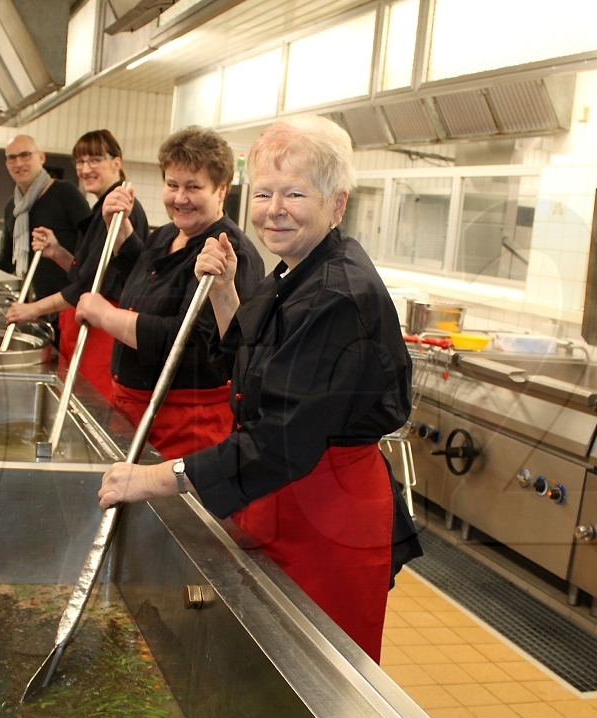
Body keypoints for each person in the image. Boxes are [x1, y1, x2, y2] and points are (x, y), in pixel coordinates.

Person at [95, 117, 422, 664]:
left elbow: (279, 443)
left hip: (327, 513)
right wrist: (225, 292)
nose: (275, 208)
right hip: (288, 495)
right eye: (265, 192)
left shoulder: (338, 294)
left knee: (318, 676)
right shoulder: (296, 269)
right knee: (268, 659)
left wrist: (154, 477)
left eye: (295, 193)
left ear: (337, 204)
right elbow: (247, 358)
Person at [75, 126, 265, 458]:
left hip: (185, 420)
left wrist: (104, 314)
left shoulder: (228, 253)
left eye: (193, 187)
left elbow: (189, 340)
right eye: (172, 185)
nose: (179, 198)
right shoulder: (166, 234)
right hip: (133, 408)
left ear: (221, 190)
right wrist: (119, 233)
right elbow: (147, 274)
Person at [4, 130, 150, 401]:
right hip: (89, 326)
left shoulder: (121, 212)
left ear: (116, 162)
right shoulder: (101, 211)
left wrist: (32, 309)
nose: (85, 169)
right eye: (80, 162)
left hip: (104, 333)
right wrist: (57, 252)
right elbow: (85, 272)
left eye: (94, 160)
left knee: (93, 407)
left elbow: (88, 285)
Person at [0, 134, 91, 306]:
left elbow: (91, 250)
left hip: (70, 303)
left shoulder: (66, 194)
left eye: (25, 155)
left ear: (41, 157)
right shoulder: (13, 207)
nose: (18, 163)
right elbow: (7, 260)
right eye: (12, 158)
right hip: (34, 304)